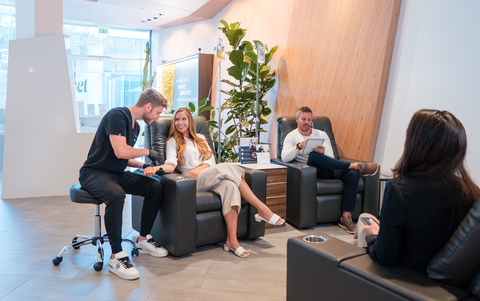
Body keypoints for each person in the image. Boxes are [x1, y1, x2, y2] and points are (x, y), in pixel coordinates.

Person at [143, 107, 285, 258]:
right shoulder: (173, 140)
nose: (180, 122)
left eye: (183, 119)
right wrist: (156, 168)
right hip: (190, 179)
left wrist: (200, 169)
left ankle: (232, 240)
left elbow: (211, 161)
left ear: (190, 120)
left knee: (230, 186)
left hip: (207, 173)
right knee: (230, 167)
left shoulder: (201, 138)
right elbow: (171, 164)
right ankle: (262, 208)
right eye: (177, 119)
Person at [362, 109, 480, 273]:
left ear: (416, 144)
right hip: (447, 283)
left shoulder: (399, 190)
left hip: (406, 279)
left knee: (364, 222)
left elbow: (385, 257)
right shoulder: (471, 192)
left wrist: (373, 236)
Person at [79, 88, 170, 280]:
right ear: (148, 106)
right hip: (94, 173)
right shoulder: (117, 115)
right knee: (116, 195)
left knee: (154, 186)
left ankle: (144, 238)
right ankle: (116, 256)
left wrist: (145, 165)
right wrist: (147, 152)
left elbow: (123, 157)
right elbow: (121, 151)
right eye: (157, 112)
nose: (157, 117)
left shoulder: (135, 126)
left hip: (116, 173)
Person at [281, 106, 379, 234]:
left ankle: (345, 217)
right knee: (314, 156)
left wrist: (324, 152)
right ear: (297, 119)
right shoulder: (292, 136)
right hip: (311, 172)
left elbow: (332, 158)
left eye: (309, 120)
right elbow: (284, 157)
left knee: (353, 175)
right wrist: (299, 147)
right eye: (303, 119)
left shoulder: (321, 134)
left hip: (329, 168)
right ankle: (355, 165)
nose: (306, 122)